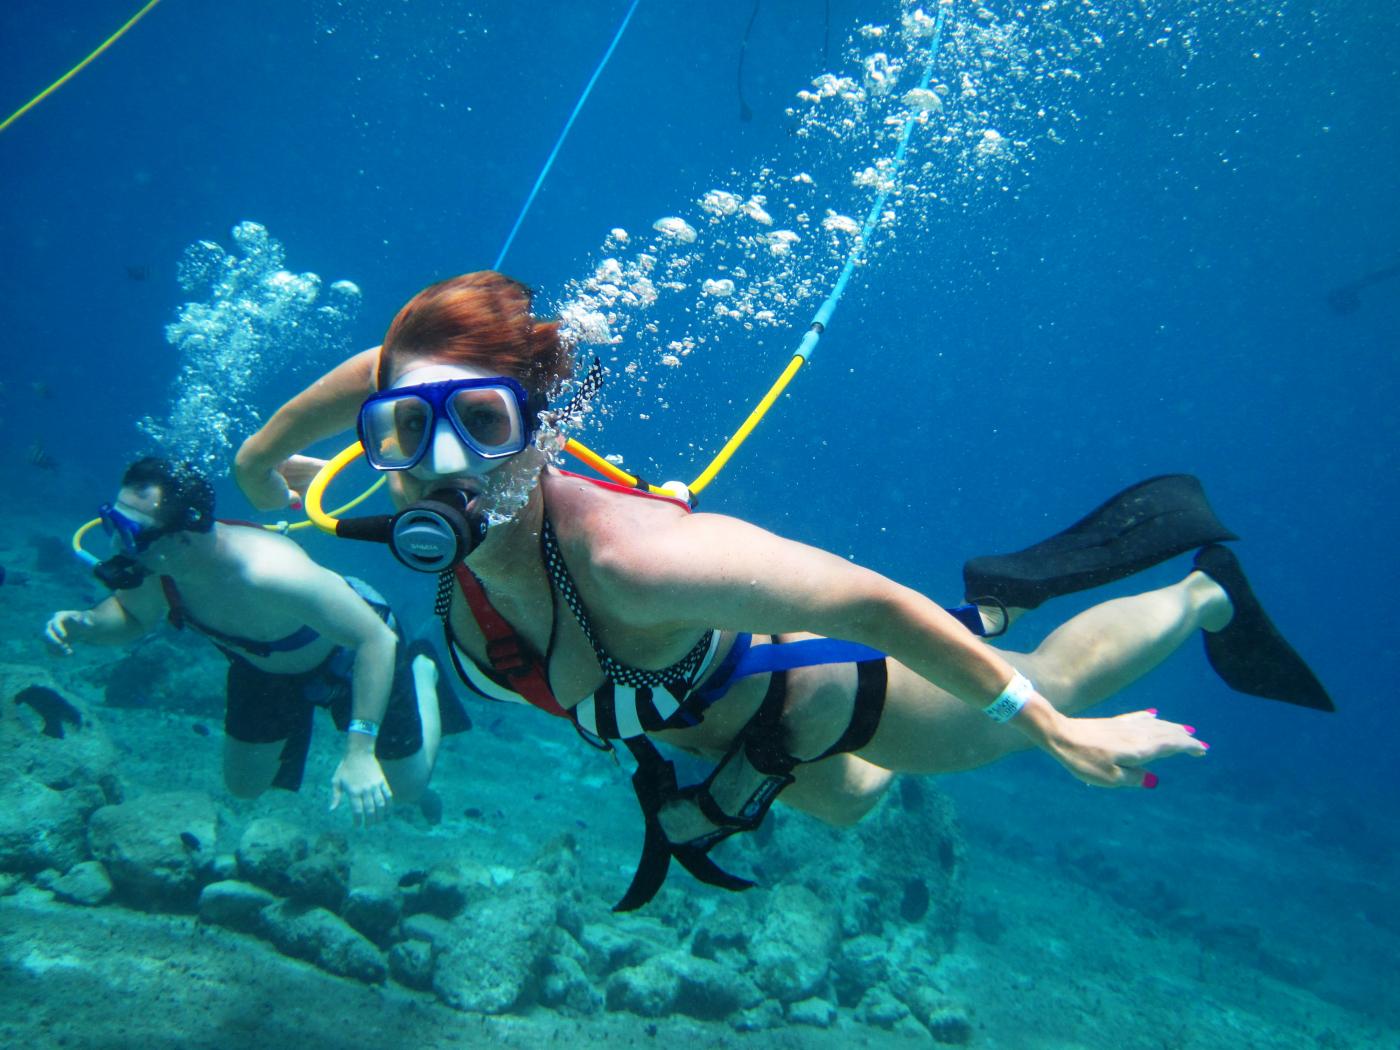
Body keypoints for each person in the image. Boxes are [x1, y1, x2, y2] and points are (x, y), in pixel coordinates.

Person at [234, 272, 1331, 908]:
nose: (440, 466)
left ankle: (1195, 595)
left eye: (483, 426)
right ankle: (985, 617)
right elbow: (353, 396)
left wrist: (1049, 729)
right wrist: (264, 466)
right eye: (401, 431)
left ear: (544, 427)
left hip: (794, 683)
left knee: (990, 716)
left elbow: (865, 604)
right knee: (849, 806)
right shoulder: (405, 466)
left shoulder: (636, 557)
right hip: (678, 719)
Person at [46, 457, 467, 825]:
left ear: (183, 537)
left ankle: (424, 669)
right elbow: (132, 616)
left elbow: (373, 638)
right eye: (112, 523)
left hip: (352, 651)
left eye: (130, 532)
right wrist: (85, 625)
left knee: (406, 789)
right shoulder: (159, 567)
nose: (117, 545)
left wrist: (359, 751)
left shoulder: (269, 573)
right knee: (244, 786)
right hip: (262, 664)